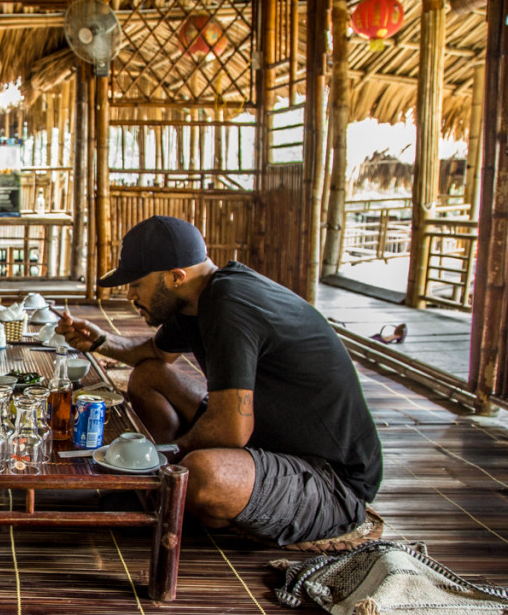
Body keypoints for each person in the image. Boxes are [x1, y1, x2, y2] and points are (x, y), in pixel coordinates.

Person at [57, 216, 382, 547]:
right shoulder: (195, 299)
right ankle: (168, 490)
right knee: (149, 375)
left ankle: (169, 486)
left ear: (175, 276)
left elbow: (231, 429)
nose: (130, 295)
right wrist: (99, 342)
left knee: (203, 474)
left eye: (137, 284)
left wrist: (159, 457)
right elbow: (154, 353)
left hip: (330, 482)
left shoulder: (231, 304)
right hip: (267, 443)